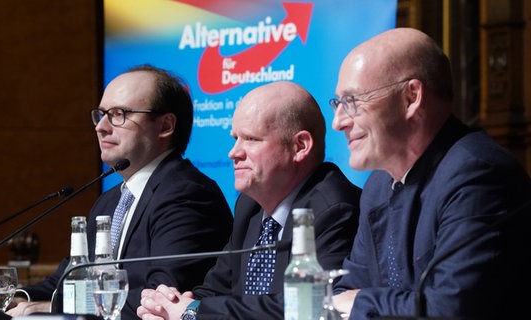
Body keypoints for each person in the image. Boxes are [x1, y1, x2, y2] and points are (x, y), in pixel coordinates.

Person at [329, 27, 531, 319]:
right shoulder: (378, 186)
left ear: (411, 97)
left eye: (352, 102)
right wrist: (359, 299)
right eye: (338, 103)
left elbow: (448, 309)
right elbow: (342, 293)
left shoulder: (478, 174)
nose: (338, 122)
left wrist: (362, 301)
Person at [6, 65, 234, 320]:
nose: (101, 127)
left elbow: (161, 294)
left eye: (118, 114)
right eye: (101, 114)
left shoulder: (188, 194)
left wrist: (54, 308)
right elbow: (68, 277)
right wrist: (14, 299)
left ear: (165, 125)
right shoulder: (110, 201)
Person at [136, 81, 362, 320]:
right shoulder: (250, 207)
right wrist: (171, 306)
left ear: (300, 146)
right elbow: (215, 289)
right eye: (235, 138)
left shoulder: (335, 209)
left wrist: (193, 313)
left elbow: (304, 307)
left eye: (251, 139)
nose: (234, 152)